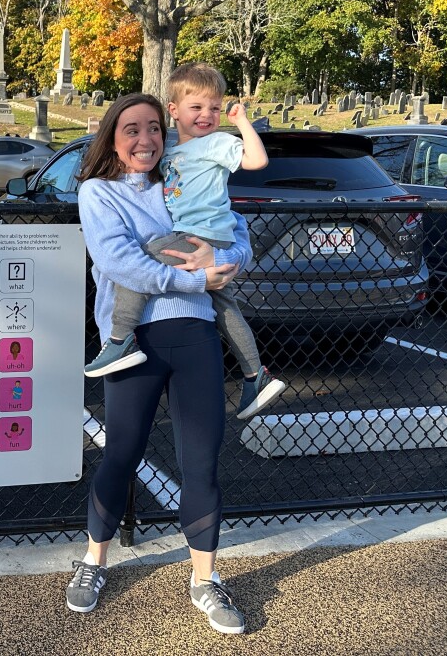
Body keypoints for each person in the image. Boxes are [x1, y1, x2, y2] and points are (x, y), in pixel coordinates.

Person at [65, 91, 251, 634]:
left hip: (194, 336)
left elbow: (237, 237)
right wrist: (197, 276)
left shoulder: (186, 178)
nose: (145, 139)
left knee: (203, 461)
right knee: (121, 454)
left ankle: (205, 580)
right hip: (133, 340)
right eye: (131, 129)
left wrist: (225, 263)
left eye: (153, 128)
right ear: (112, 137)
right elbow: (120, 263)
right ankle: (93, 562)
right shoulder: (98, 192)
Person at [83, 64, 286, 422]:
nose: (207, 115)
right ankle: (256, 375)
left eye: (214, 108)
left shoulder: (218, 143)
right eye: (197, 107)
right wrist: (212, 268)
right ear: (174, 110)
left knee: (147, 257)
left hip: (201, 235)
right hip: (202, 239)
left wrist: (240, 122)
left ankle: (120, 340)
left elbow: (256, 163)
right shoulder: (172, 153)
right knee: (226, 307)